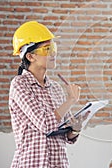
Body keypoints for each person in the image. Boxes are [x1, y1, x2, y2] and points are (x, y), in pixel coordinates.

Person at [9, 21, 85, 167]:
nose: (53, 53)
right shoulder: (19, 85)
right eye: (47, 49)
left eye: (53, 47)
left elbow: (66, 134)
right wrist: (70, 100)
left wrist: (75, 129)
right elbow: (45, 124)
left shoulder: (55, 88)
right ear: (30, 57)